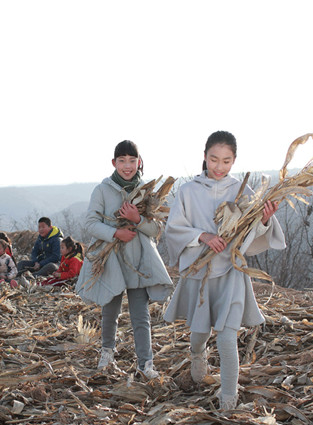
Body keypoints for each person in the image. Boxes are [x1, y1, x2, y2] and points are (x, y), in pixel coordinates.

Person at [164, 130, 286, 410]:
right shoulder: (188, 191)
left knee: (228, 336)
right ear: (204, 157)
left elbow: (253, 235)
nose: (219, 167)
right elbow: (174, 229)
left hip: (232, 272)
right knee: (199, 333)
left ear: (234, 161)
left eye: (226, 161)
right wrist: (203, 236)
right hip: (200, 271)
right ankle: (197, 356)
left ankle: (228, 402)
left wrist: (265, 220)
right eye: (213, 159)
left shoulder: (242, 191)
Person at [75, 140, 173, 379]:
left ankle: (145, 364)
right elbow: (90, 223)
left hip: (139, 262)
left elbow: (157, 230)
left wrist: (137, 219)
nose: (127, 166)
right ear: (114, 163)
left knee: (141, 316)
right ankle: (107, 356)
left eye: (132, 160)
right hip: (111, 260)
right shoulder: (102, 189)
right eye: (122, 161)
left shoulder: (148, 192)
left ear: (139, 162)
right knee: (110, 312)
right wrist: (116, 232)